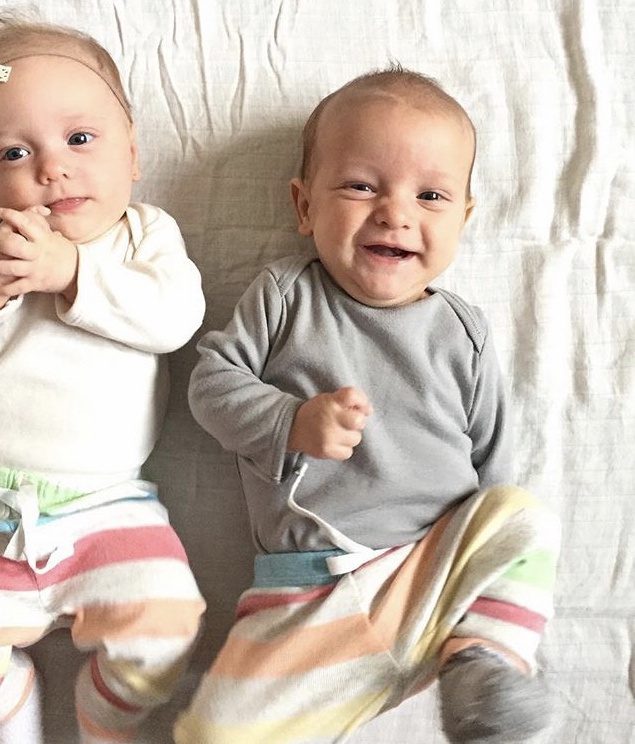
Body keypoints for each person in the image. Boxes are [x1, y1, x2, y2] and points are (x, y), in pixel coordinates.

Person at [176, 67, 561, 744]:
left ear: (464, 218)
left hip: (430, 576)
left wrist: (485, 571)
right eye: (361, 186)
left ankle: (483, 664)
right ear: (304, 206)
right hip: (308, 592)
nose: (395, 213)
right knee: (212, 731)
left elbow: (494, 457)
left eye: (431, 195)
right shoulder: (286, 296)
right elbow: (210, 385)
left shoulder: (462, 332)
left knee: (521, 517)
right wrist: (289, 421)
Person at [0, 14, 206, 744]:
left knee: (166, 631)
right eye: (14, 151)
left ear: (133, 153)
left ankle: (103, 714)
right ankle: (10, 701)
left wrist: (72, 272)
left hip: (109, 508)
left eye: (80, 139)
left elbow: (175, 319)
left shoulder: (143, 236)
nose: (51, 168)